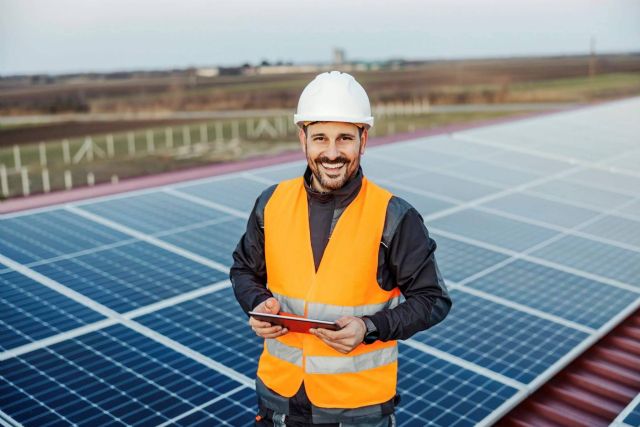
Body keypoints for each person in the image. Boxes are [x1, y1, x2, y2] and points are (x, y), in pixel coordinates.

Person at [231, 71, 451, 427]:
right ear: (302, 138)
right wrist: (256, 303)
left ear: (363, 140)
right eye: (320, 138)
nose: (331, 153)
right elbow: (243, 270)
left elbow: (433, 299)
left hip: (357, 411)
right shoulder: (271, 203)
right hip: (277, 401)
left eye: (345, 138)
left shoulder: (394, 216)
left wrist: (370, 327)